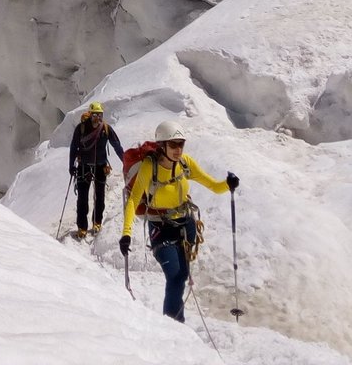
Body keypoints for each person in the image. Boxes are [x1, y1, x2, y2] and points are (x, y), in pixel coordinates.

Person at [118, 120, 240, 322]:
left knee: (182, 276)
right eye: (173, 144)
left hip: (186, 226)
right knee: (175, 276)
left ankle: (175, 321)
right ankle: (173, 324)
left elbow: (214, 186)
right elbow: (132, 201)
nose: (178, 149)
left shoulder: (185, 163)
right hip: (160, 227)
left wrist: (228, 184)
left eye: (181, 144)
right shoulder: (150, 168)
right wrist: (126, 234)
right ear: (162, 145)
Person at [67, 100, 124, 238]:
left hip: (100, 166)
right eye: (95, 115)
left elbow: (117, 145)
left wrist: (125, 161)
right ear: (90, 115)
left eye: (100, 115)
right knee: (82, 198)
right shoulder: (81, 129)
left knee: (100, 197)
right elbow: (74, 148)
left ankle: (96, 221)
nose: (97, 118)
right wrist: (71, 165)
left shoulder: (105, 129)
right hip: (84, 166)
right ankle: (82, 226)